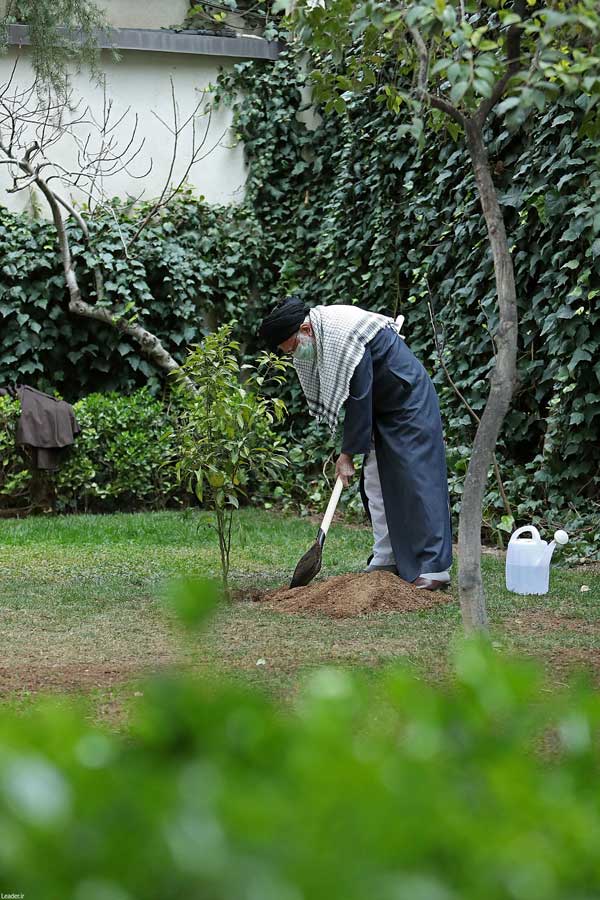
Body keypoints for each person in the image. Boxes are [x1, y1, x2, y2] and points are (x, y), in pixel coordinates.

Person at [259, 296, 452, 590]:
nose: (294, 355)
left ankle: (435, 568)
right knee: (375, 484)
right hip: (382, 406)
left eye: (294, 348)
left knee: (419, 482)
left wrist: (347, 454)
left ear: (306, 330)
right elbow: (358, 395)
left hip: (407, 402)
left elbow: (360, 395)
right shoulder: (323, 332)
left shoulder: (342, 334)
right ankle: (386, 558)